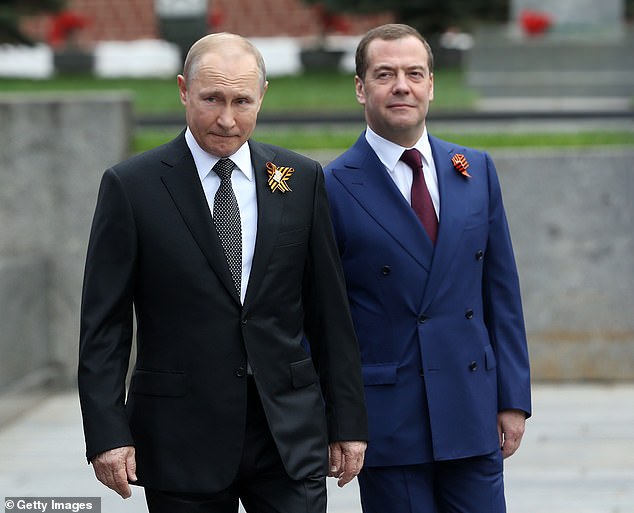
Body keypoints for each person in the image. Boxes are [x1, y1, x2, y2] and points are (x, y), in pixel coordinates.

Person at [78, 32, 368, 513]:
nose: (227, 118)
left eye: (242, 101)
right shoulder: (131, 187)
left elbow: (329, 314)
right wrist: (107, 434)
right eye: (212, 98)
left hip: (287, 434)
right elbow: (103, 326)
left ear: (262, 97)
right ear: (183, 90)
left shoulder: (300, 180)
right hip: (181, 435)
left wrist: (349, 423)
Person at [323, 24, 531, 513]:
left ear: (431, 84)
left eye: (414, 73)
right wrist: (338, 420)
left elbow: (501, 292)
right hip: (389, 420)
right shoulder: (330, 185)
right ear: (360, 87)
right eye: (385, 74)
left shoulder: (475, 169)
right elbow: (323, 316)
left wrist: (512, 398)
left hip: (471, 407)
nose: (402, 85)